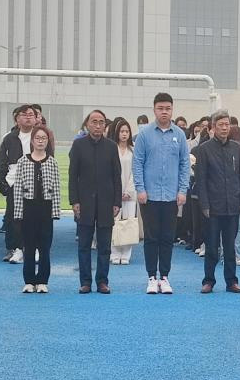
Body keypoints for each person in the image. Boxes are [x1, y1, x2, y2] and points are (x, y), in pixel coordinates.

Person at [133, 93, 191, 295]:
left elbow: (185, 164)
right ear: (154, 110)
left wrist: (182, 190)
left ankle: (164, 277)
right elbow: (137, 163)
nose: (164, 112)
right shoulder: (145, 135)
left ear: (172, 110)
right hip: (149, 196)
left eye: (168, 108)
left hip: (171, 196)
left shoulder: (179, 135)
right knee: (151, 238)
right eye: (160, 108)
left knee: (167, 238)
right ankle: (151, 277)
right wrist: (140, 189)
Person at [194, 110, 240, 294]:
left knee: (230, 246)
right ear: (213, 127)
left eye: (227, 124)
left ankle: (231, 281)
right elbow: (200, 180)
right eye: (221, 125)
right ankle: (208, 280)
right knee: (211, 246)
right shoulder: (204, 149)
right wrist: (204, 204)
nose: (225, 128)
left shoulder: (236, 148)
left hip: (233, 204)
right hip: (212, 206)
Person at [69, 110, 122, 294]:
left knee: (104, 246)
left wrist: (117, 202)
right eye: (94, 122)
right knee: (84, 245)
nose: (98, 126)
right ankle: (85, 281)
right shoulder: (78, 145)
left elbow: (117, 176)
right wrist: (74, 201)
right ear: (87, 124)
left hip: (106, 202)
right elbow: (72, 176)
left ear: (105, 125)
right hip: (84, 202)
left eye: (101, 122)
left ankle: (102, 281)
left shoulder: (111, 146)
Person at [14, 126, 61, 293]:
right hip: (28, 207)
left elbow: (56, 187)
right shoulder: (23, 161)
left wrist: (55, 212)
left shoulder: (52, 162)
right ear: (32, 140)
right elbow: (18, 187)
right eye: (38, 138)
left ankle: (42, 280)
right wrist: (18, 213)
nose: (40, 141)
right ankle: (29, 281)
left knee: (44, 247)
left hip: (45, 208)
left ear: (48, 141)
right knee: (29, 247)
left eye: (44, 138)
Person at [0, 105, 38, 265]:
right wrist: (3, 182)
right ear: (17, 119)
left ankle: (34, 248)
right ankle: (16, 248)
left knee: (34, 217)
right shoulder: (9, 138)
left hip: (35, 181)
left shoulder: (41, 136)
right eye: (24, 114)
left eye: (31, 114)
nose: (28, 117)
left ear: (36, 118)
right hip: (14, 181)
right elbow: (2, 160)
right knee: (14, 217)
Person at [111, 118, 138, 265]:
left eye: (127, 131)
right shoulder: (112, 149)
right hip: (114, 193)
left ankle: (126, 254)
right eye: (122, 131)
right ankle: (115, 253)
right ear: (117, 133)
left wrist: (128, 191)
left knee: (128, 223)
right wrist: (117, 191)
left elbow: (136, 172)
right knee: (114, 223)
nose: (124, 134)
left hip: (130, 193)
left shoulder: (133, 150)